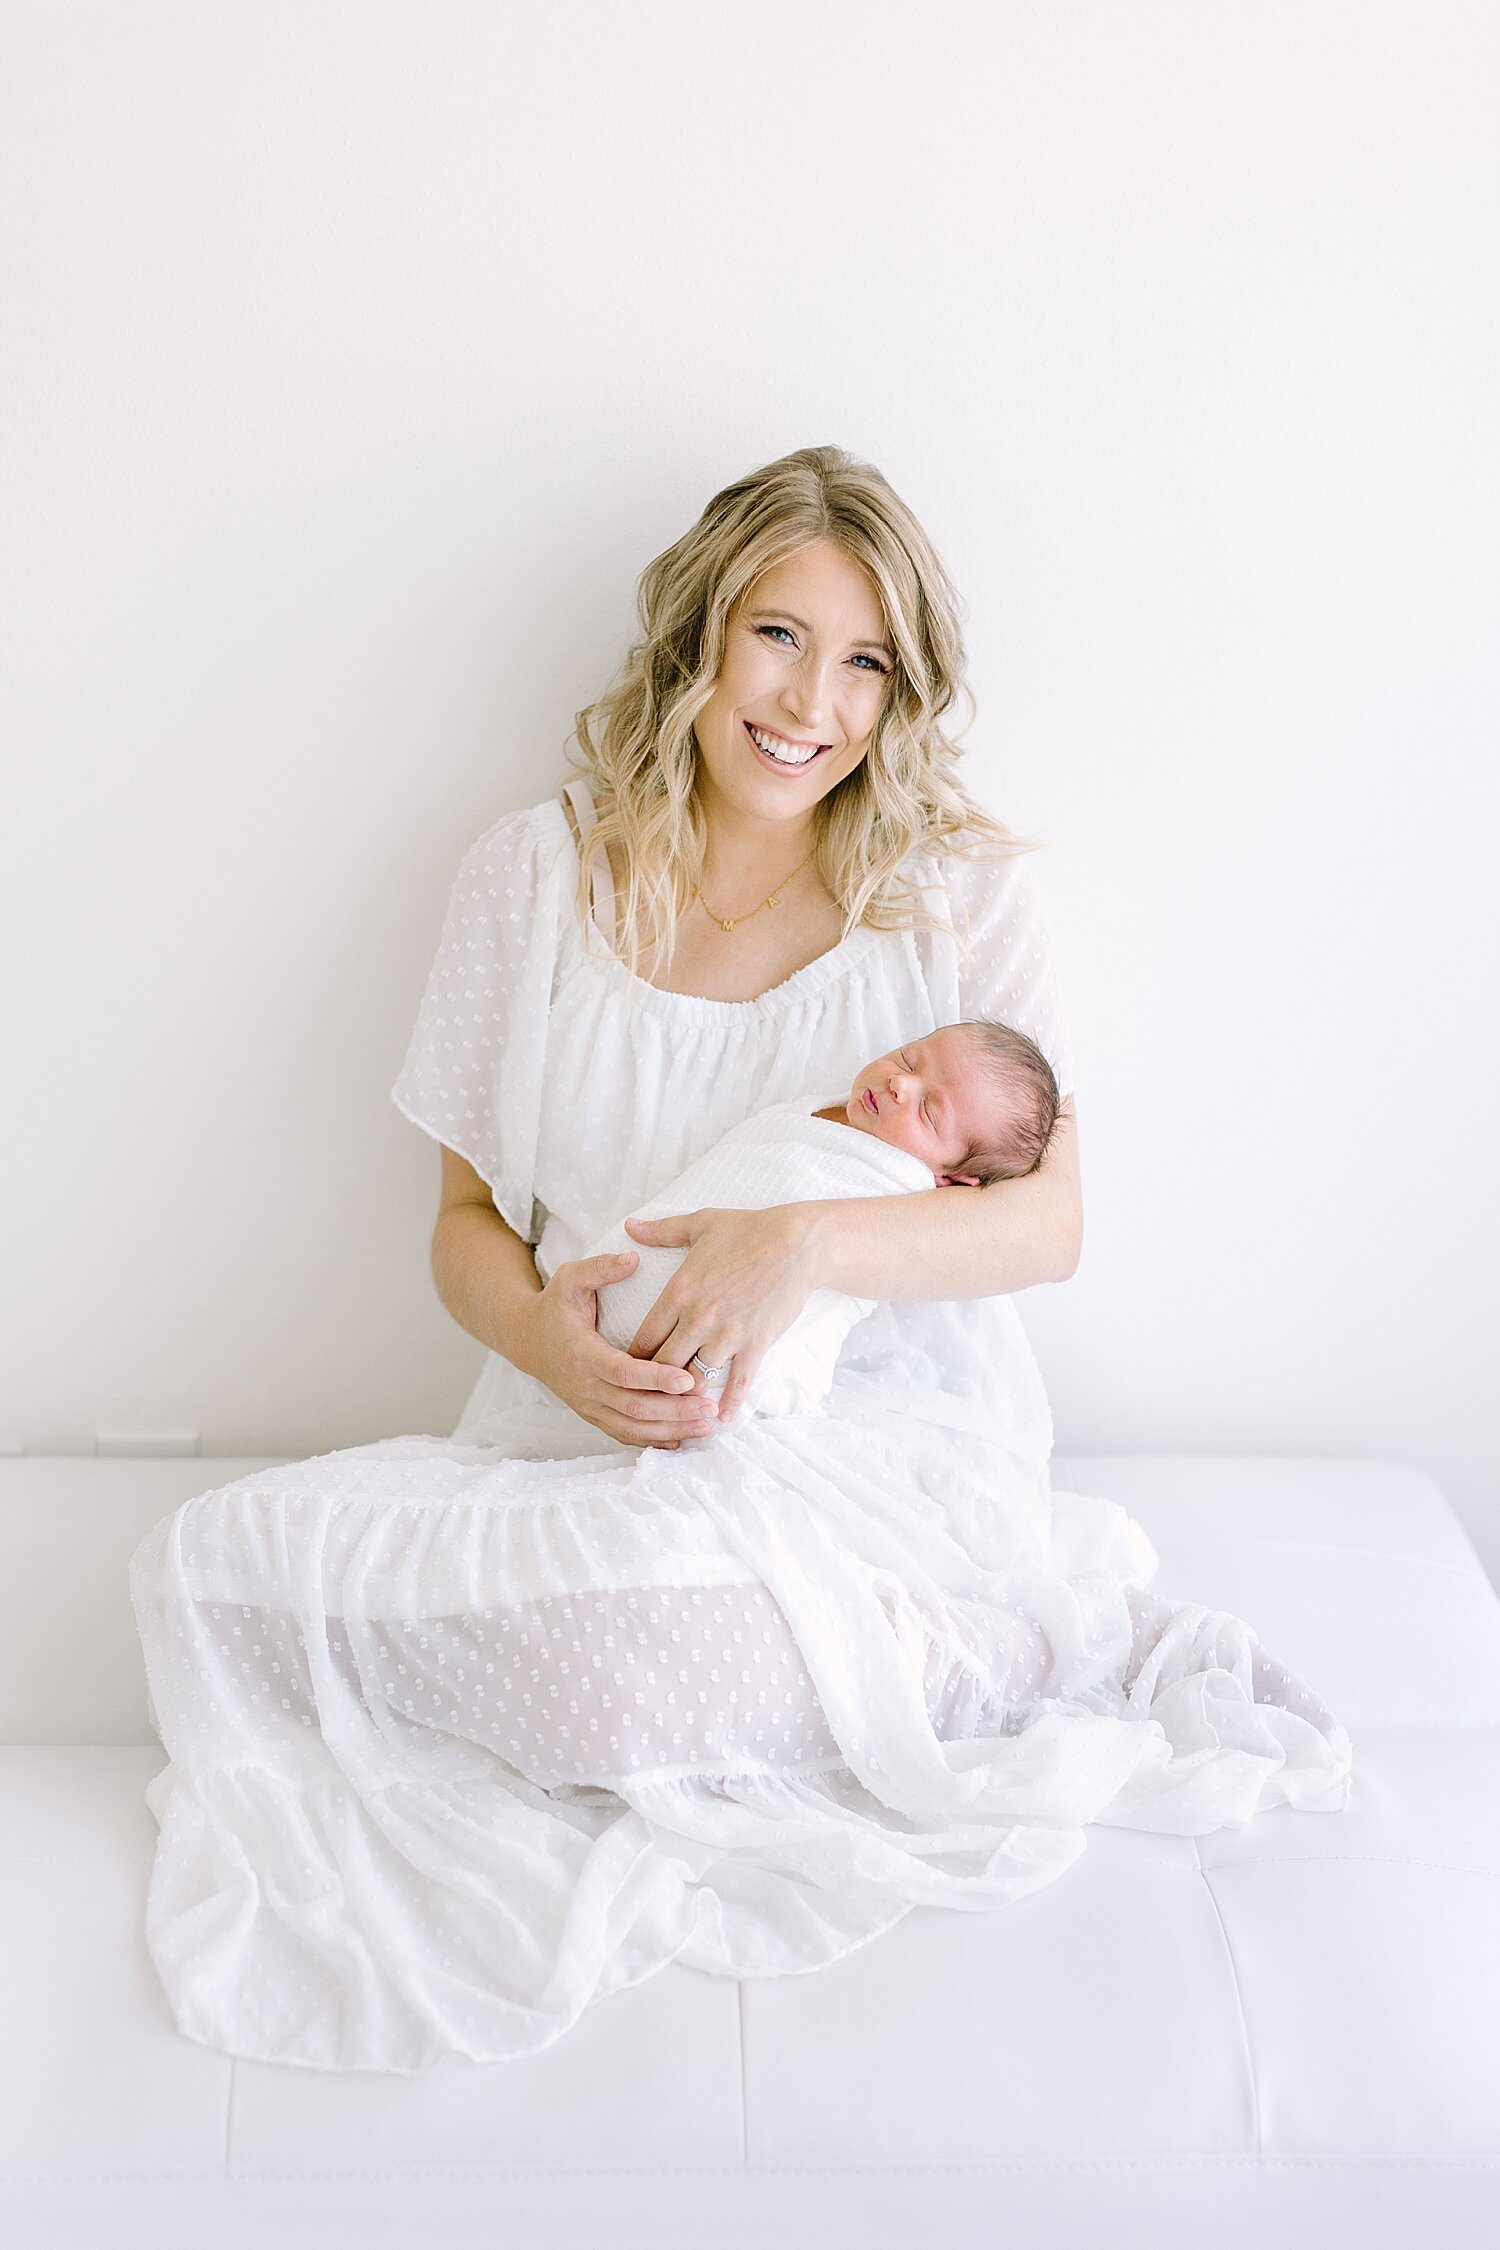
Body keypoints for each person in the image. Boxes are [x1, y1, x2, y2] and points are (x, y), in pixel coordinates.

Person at [130, 445, 1353, 2075]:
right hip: (577, 1446)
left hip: (856, 1475)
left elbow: (1044, 1224)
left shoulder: (955, 900)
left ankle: (1003, 1648)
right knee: (208, 1570)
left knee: (608, 1674)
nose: (812, 703)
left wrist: (804, 1242)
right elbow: (465, 1223)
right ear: (699, 633)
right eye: (779, 636)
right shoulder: (532, 875)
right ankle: (641, 1671)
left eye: (866, 664)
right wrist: (558, 1353)